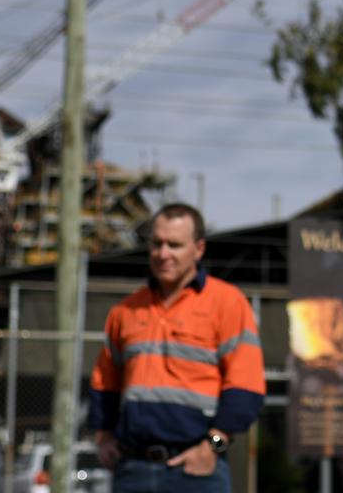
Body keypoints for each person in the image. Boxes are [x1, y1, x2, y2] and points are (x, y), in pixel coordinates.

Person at [89, 203, 265, 493]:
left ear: (199, 249)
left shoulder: (228, 304)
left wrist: (212, 448)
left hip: (198, 472)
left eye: (175, 245)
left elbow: (246, 389)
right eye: (157, 244)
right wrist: (104, 438)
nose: (163, 254)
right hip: (133, 470)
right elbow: (104, 384)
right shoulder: (125, 311)